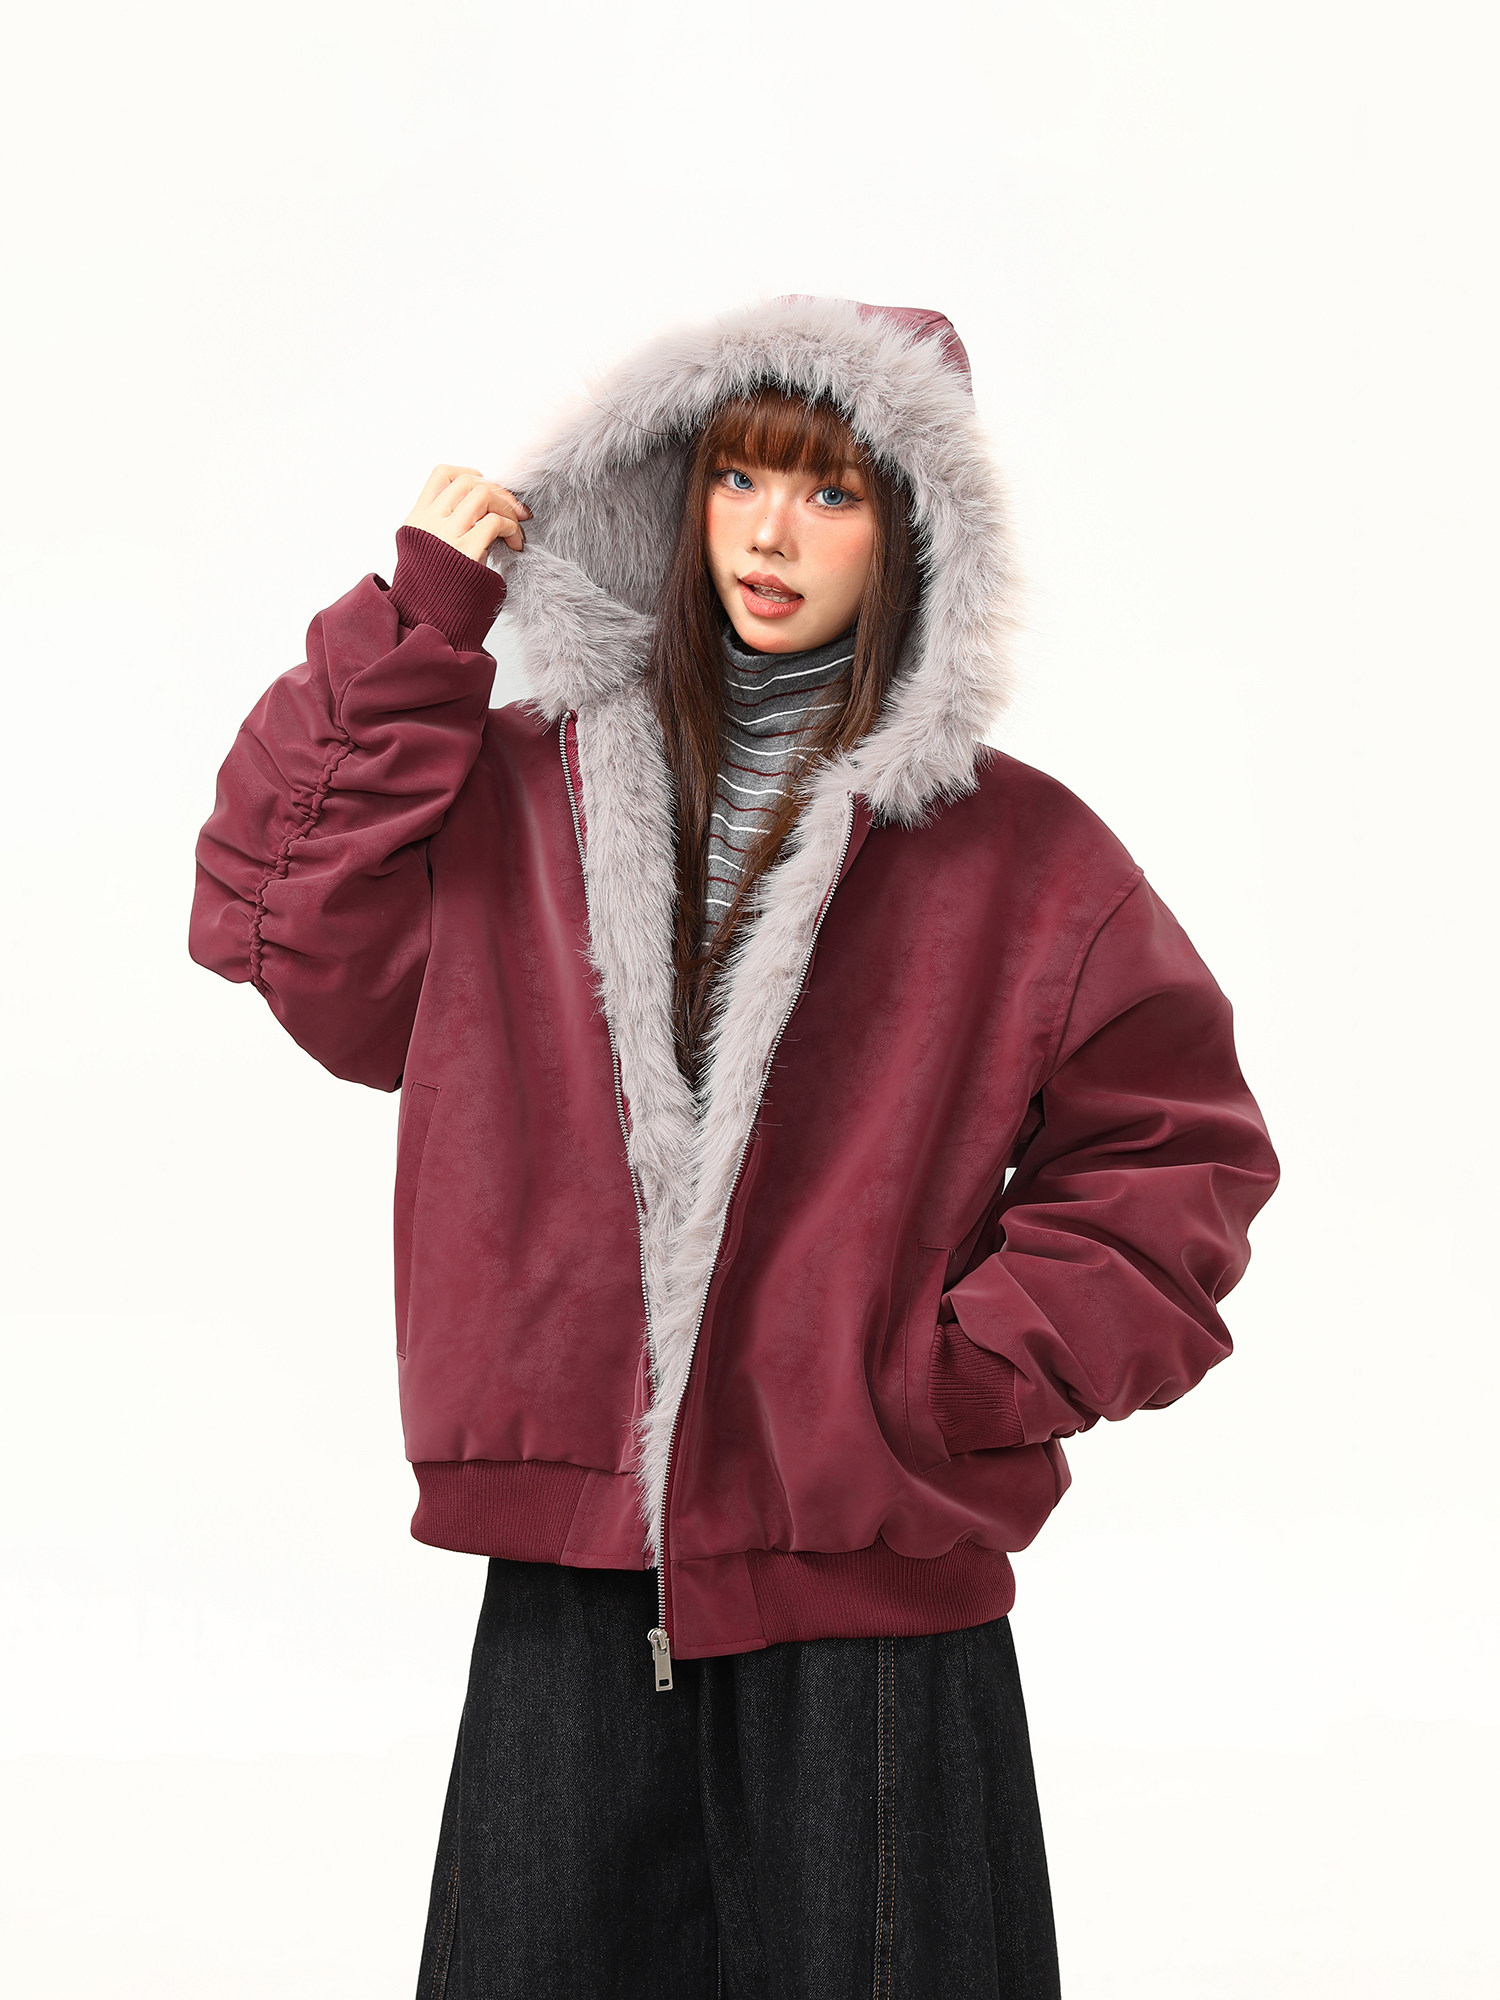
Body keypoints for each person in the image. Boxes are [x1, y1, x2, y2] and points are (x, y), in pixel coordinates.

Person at [189, 295, 1279, 1998]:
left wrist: (947, 1382)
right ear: (679, 496)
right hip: (570, 1586)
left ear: (909, 535)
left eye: (831, 492)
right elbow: (281, 919)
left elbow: (1177, 1158)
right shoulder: (517, 799)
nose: (772, 533)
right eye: (740, 478)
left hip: (869, 1596)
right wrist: (419, 626)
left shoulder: (1021, 855)